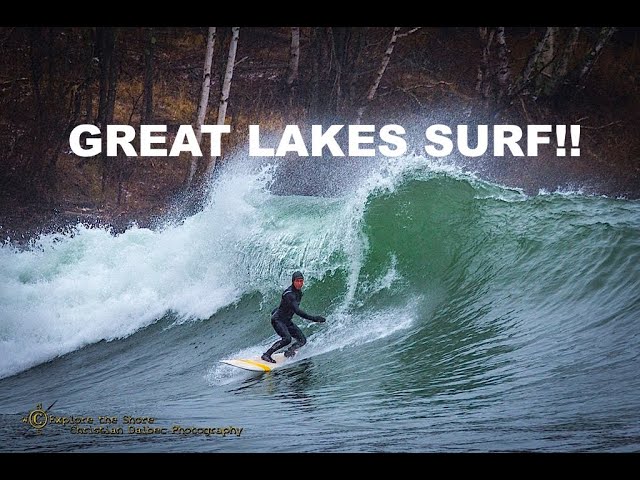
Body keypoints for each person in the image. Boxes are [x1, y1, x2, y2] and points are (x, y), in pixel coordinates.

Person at [261, 271, 326, 363]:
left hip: (287, 321)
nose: (300, 283)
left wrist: (277, 310)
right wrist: (314, 318)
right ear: (293, 281)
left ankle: (289, 351)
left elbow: (284, 306)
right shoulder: (289, 294)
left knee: (302, 340)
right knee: (287, 339)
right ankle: (266, 355)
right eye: (297, 281)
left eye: (301, 281)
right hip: (278, 320)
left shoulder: (299, 293)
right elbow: (297, 311)